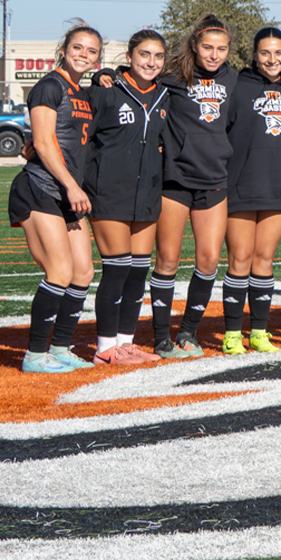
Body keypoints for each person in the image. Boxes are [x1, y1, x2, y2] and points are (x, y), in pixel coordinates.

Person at [11, 24, 102, 373]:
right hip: (42, 188)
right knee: (60, 271)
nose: (83, 55)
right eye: (77, 47)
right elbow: (44, 142)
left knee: (83, 272)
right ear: (64, 49)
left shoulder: (82, 91)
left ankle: (61, 348)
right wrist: (72, 187)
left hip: (66, 193)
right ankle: (35, 355)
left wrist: (109, 76)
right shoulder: (50, 85)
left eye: (91, 51)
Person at [156, 14, 239, 358]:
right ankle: (161, 336)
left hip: (214, 180)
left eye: (221, 48)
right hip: (175, 179)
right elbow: (136, 86)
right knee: (168, 260)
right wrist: (108, 74)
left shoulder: (234, 79)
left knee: (208, 260)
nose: (214, 55)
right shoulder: (172, 77)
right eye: (207, 47)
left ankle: (188, 331)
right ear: (194, 45)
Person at [84, 29, 170, 364]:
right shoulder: (106, 91)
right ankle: (105, 348)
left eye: (158, 56)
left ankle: (126, 342)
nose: (151, 62)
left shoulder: (165, 95)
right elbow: (79, 135)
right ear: (130, 57)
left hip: (147, 193)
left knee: (138, 271)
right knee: (116, 270)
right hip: (109, 192)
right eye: (144, 55)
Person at [221, 28, 281, 354]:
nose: (272, 59)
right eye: (265, 52)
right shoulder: (235, 86)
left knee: (264, 260)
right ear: (254, 55)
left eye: (279, 53)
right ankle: (232, 333)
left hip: (278, 184)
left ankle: (259, 332)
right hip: (240, 184)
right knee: (239, 259)